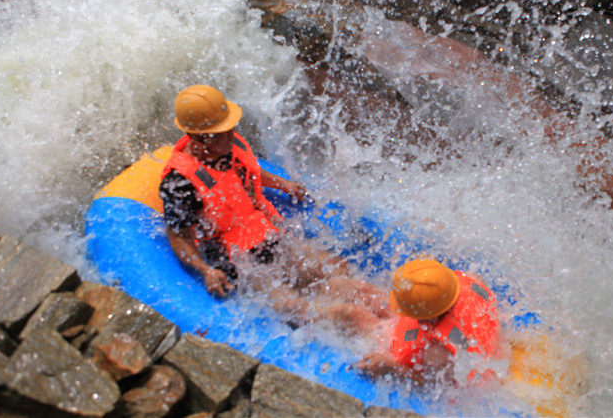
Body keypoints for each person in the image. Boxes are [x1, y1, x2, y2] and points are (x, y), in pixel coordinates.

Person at [159, 84, 388, 330]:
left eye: (229, 127)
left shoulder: (225, 146)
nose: (230, 135)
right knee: (302, 309)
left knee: (342, 273)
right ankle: (352, 321)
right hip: (237, 260)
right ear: (197, 136)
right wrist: (205, 270)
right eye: (220, 132)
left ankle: (401, 319)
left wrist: (283, 184)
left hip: (268, 235)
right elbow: (177, 234)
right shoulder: (180, 182)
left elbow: (245, 172)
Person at [356, 258, 501, 386]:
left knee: (348, 315)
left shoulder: (438, 353)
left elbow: (435, 386)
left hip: (438, 345)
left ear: (422, 318)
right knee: (360, 291)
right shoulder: (472, 280)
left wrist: (392, 368)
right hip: (447, 320)